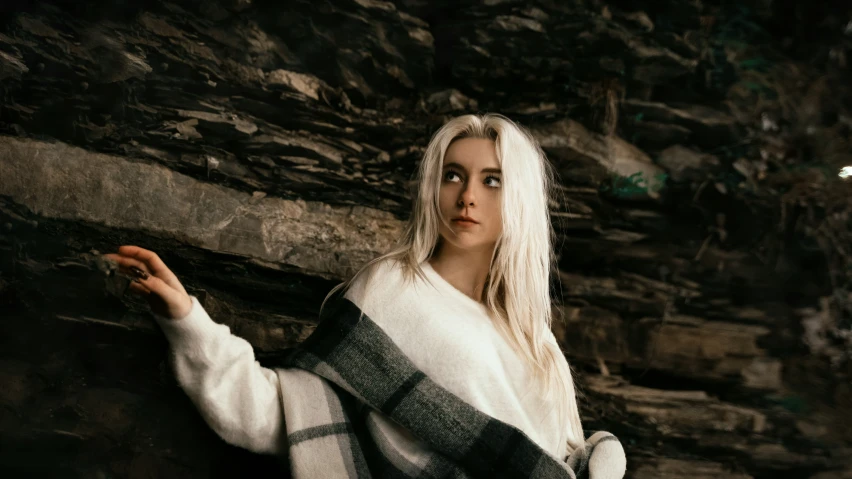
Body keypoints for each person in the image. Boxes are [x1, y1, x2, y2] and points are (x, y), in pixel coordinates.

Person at [104, 113, 626, 478]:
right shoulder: (393, 290)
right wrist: (188, 320)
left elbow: (565, 453)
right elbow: (281, 412)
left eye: (492, 180)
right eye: (453, 175)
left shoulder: (531, 333)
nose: (467, 195)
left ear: (520, 198)